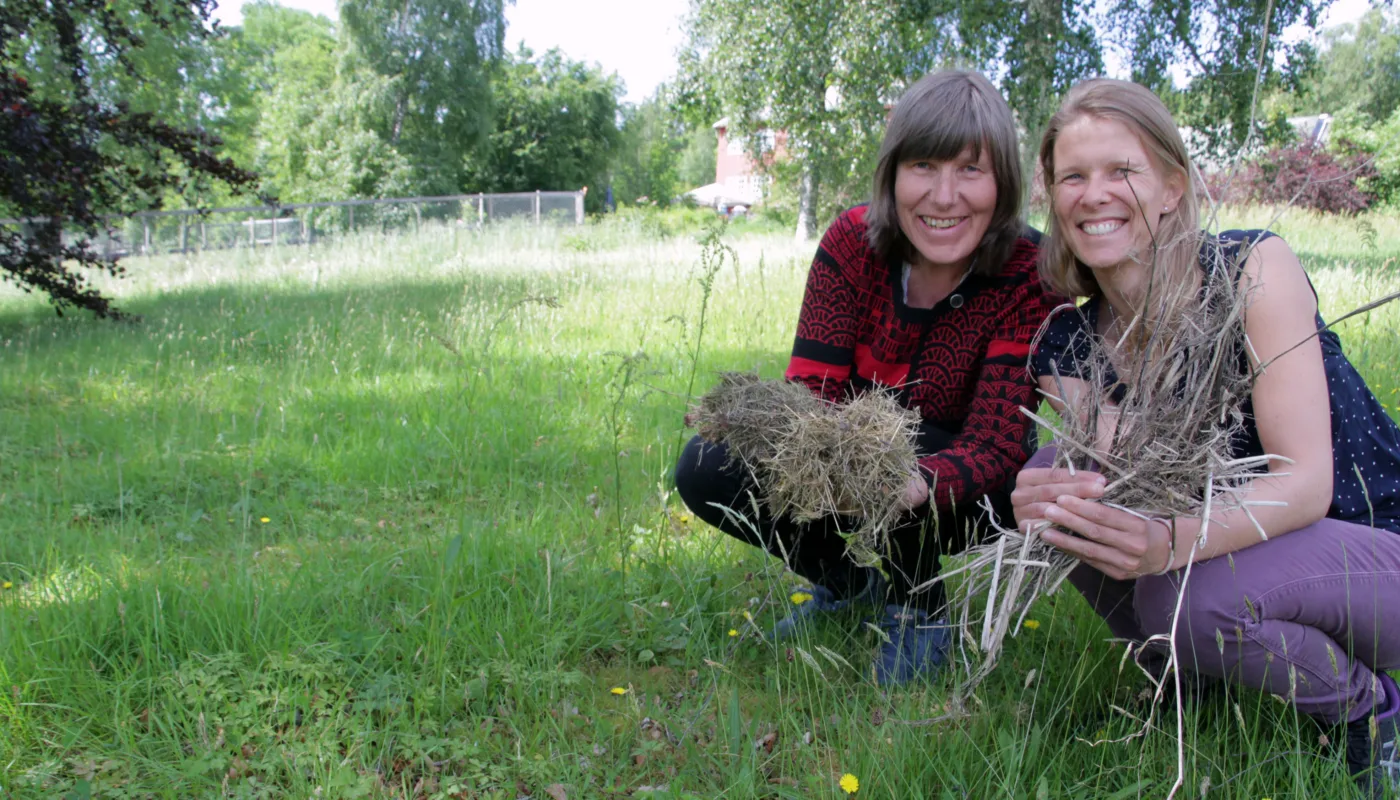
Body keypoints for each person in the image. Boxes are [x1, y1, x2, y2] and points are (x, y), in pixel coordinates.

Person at [1014, 77, 1400, 795]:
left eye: (1121, 171)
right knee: (1059, 469)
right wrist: (1040, 500)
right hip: (1262, 552)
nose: (1094, 194)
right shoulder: (1067, 346)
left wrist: (1169, 544)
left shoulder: (1251, 269)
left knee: (1189, 600)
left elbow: (1305, 482)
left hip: (1372, 544)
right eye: (1073, 176)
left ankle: (1368, 713)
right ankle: (1187, 676)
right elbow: (1131, 478)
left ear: (1171, 186)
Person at [674, 70, 1058, 686]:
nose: (943, 195)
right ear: (893, 175)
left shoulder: (1025, 273)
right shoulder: (852, 242)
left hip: (964, 485)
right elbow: (811, 393)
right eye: (924, 166)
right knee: (708, 461)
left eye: (970, 170)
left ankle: (919, 604)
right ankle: (847, 583)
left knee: (908, 448)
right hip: (846, 457)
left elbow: (999, 443)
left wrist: (905, 483)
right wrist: (814, 456)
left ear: (1003, 184)